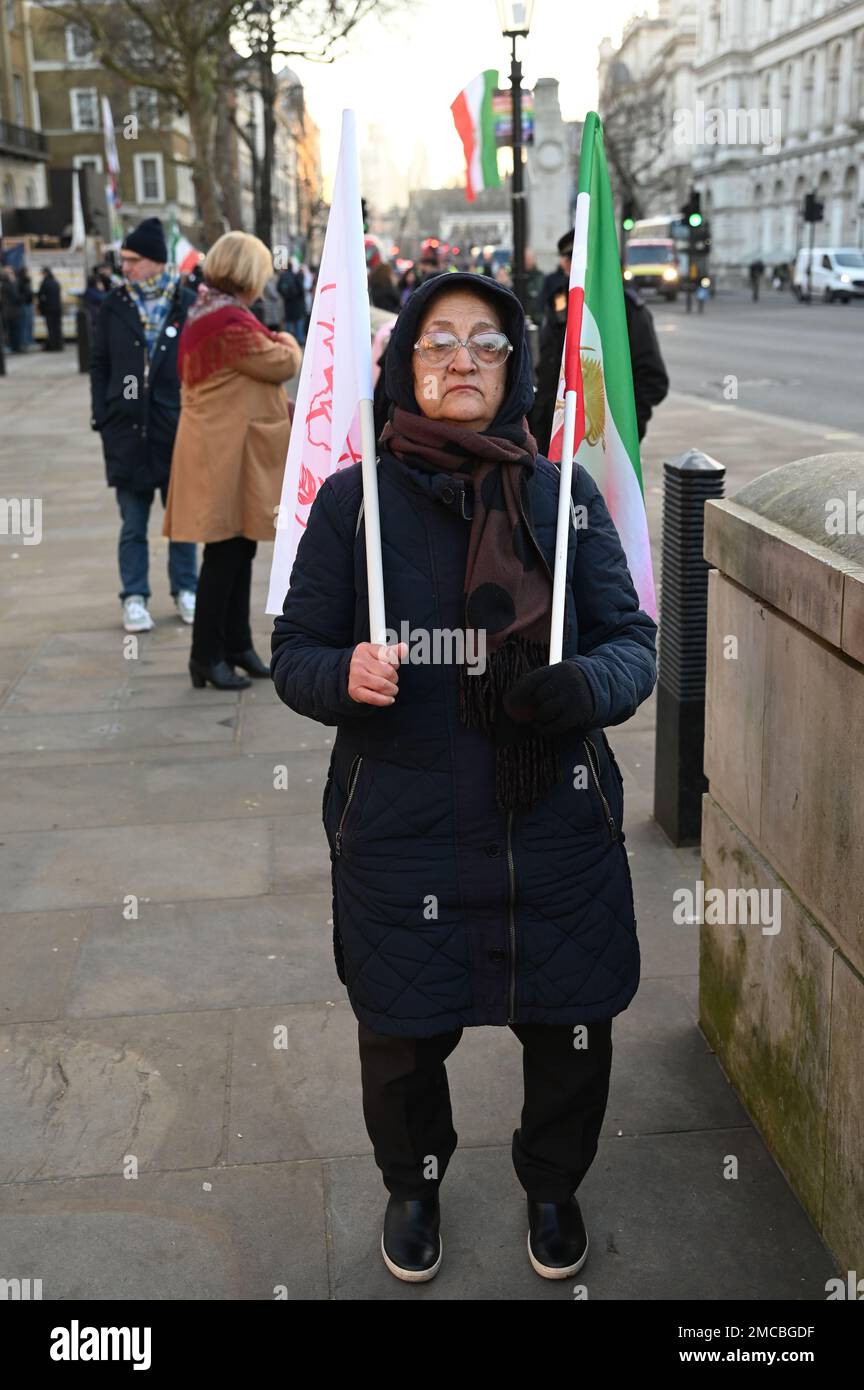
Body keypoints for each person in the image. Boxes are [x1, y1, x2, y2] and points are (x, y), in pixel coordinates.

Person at [271, 271, 657, 1284]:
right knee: (402, 1036)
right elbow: (296, 649)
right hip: (404, 821)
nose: (461, 360)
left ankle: (553, 1184)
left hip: (554, 826)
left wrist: (587, 684)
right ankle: (414, 1184)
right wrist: (343, 674)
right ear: (405, 364)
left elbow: (633, 642)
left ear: (516, 367)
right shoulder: (355, 501)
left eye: (486, 344)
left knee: (571, 1028)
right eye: (438, 341)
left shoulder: (561, 494)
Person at [163, 231, 301, 691]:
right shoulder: (229, 323)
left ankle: (237, 646)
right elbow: (282, 363)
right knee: (225, 553)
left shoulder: (213, 313)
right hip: (222, 454)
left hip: (227, 450)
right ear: (247, 273)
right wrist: (288, 340)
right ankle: (206, 655)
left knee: (239, 548)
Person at [90, 216, 198, 633]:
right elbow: (100, 364)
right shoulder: (114, 304)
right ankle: (134, 597)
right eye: (124, 259)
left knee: (183, 521)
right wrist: (103, 413)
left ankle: (186, 589)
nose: (126, 266)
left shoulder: (187, 303)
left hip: (175, 429)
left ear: (155, 261)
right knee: (133, 524)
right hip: (127, 433)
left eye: (133, 259)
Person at [532, 229, 669, 451]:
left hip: (602, 443)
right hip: (552, 433)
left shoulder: (625, 309)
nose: (564, 266)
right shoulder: (560, 299)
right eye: (565, 260)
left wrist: (625, 426)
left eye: (570, 259)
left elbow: (652, 380)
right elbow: (548, 367)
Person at [277, 259, 307, 345]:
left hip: (288, 304)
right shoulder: (297, 276)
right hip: (297, 305)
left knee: (288, 325)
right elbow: (301, 291)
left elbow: (278, 288)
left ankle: (288, 342)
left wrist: (285, 296)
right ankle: (298, 342)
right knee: (298, 325)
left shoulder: (283, 276)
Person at [37, 267, 64, 351]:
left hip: (49, 309)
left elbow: (41, 296)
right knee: (58, 327)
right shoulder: (56, 282)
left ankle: (53, 346)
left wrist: (41, 308)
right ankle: (59, 345)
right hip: (58, 308)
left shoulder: (45, 283)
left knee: (51, 328)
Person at [1, 267, 23, 353]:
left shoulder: (4, 284)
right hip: (13, 312)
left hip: (7, 312)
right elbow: (16, 297)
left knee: (10, 330)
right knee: (14, 330)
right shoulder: (10, 284)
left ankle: (12, 346)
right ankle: (15, 347)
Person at [523, 247, 546, 323]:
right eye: (526, 259)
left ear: (534, 259)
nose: (527, 261)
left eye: (529, 258)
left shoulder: (541, 278)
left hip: (537, 320)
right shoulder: (517, 278)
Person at [17, 267, 34, 349]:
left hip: (28, 303)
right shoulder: (20, 280)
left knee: (29, 324)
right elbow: (21, 293)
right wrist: (24, 298)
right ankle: (25, 341)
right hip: (25, 304)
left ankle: (29, 340)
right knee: (25, 324)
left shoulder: (26, 280)